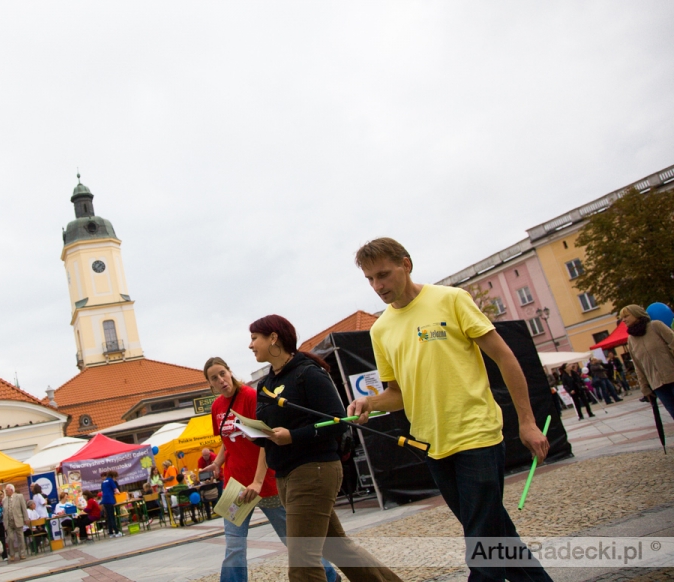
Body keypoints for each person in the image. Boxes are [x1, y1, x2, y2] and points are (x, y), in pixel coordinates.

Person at [349, 237, 551, 582]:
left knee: (481, 543)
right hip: (430, 443)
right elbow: (398, 393)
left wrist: (528, 422)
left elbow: (504, 357)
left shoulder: (451, 299)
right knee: (493, 531)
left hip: (476, 434)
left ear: (406, 264)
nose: (377, 286)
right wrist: (371, 401)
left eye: (383, 274)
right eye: (370, 279)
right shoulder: (380, 329)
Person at [251, 316, 401, 582]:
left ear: (273, 338)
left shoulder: (308, 373)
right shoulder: (265, 385)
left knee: (302, 563)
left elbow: (337, 422)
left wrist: (293, 436)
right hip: (286, 475)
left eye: (255, 338)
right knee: (336, 547)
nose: (251, 345)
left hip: (313, 471)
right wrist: (253, 433)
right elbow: (271, 430)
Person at [201, 356, 341, 582]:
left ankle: (330, 576)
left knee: (291, 539)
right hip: (234, 485)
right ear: (210, 384)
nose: (220, 380)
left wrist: (257, 481)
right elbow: (227, 441)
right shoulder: (217, 407)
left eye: (222, 374)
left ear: (230, 371)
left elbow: (266, 440)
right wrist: (217, 463)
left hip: (264, 482)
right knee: (233, 544)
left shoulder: (250, 397)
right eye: (214, 378)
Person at [621, 304, 674, 419]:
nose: (623, 320)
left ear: (637, 314)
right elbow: (638, 365)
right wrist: (644, 387)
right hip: (657, 384)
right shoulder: (631, 339)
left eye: (626, 316)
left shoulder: (656, 326)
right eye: (622, 317)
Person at [3, 483, 29, 562]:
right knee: (10, 538)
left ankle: (22, 553)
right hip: (9, 522)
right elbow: (4, 512)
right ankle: (12, 554)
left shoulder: (19, 496)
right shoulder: (4, 500)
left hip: (18, 519)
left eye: (7, 490)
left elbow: (24, 508)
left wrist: (26, 518)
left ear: (11, 490)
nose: (6, 492)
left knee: (20, 537)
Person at [100, 471, 123, 537]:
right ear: (113, 476)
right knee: (112, 517)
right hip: (110, 500)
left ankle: (110, 532)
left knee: (109, 517)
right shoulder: (110, 480)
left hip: (105, 500)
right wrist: (119, 494)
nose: (115, 479)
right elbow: (116, 490)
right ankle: (117, 531)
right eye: (115, 477)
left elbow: (103, 491)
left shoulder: (103, 482)